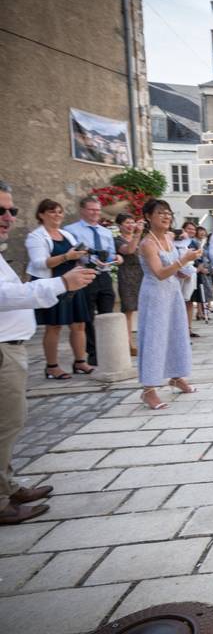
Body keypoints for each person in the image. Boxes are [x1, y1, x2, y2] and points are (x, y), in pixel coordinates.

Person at [1, 180, 97, 523]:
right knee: (5, 424)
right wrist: (61, 280)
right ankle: (1, 501)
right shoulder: (36, 239)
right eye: (2, 210)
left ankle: (7, 485)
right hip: (6, 343)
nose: (9, 217)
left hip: (12, 343)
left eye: (12, 210)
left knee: (10, 423)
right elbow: (7, 293)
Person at [136, 199, 203, 409]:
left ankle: (176, 376)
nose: (166, 217)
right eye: (160, 213)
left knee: (176, 333)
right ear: (148, 216)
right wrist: (183, 260)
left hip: (173, 292)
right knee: (155, 339)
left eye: (168, 213)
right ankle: (148, 390)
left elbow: (172, 269)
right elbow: (159, 272)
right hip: (155, 295)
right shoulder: (147, 243)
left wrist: (184, 269)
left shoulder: (169, 237)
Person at [25, 199, 94, 379]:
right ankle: (52, 366)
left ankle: (80, 362)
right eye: (52, 212)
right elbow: (39, 263)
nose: (57, 215)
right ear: (41, 215)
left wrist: (85, 257)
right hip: (51, 284)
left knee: (78, 323)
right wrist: (66, 256)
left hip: (72, 282)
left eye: (60, 212)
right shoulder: (36, 236)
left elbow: (75, 257)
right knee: (54, 326)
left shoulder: (66, 234)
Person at [65, 196, 122, 365]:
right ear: (82, 210)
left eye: (97, 210)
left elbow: (110, 252)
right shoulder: (71, 230)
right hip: (84, 274)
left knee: (107, 313)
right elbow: (72, 252)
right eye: (91, 209)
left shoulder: (105, 232)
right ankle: (93, 352)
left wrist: (116, 257)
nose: (95, 213)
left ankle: (107, 348)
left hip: (103, 275)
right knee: (87, 315)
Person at [115, 213, 144, 355]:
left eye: (132, 222)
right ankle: (129, 344)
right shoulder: (117, 240)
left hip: (142, 274)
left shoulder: (141, 238)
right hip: (127, 276)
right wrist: (137, 235)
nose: (131, 225)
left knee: (144, 309)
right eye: (127, 222)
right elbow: (130, 250)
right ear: (119, 226)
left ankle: (144, 341)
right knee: (128, 310)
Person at [174, 222, 199, 337]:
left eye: (193, 229)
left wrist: (197, 269)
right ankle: (180, 330)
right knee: (179, 302)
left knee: (189, 301)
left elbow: (200, 257)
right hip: (177, 275)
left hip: (191, 274)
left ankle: (188, 329)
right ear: (183, 230)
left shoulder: (194, 242)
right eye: (189, 229)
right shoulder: (175, 241)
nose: (191, 231)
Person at [191, 225, 213, 319]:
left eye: (203, 231)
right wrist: (199, 267)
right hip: (200, 269)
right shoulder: (194, 242)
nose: (202, 233)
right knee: (201, 292)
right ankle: (200, 312)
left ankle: (205, 311)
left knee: (207, 291)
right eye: (200, 231)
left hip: (207, 268)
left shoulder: (205, 243)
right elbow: (195, 257)